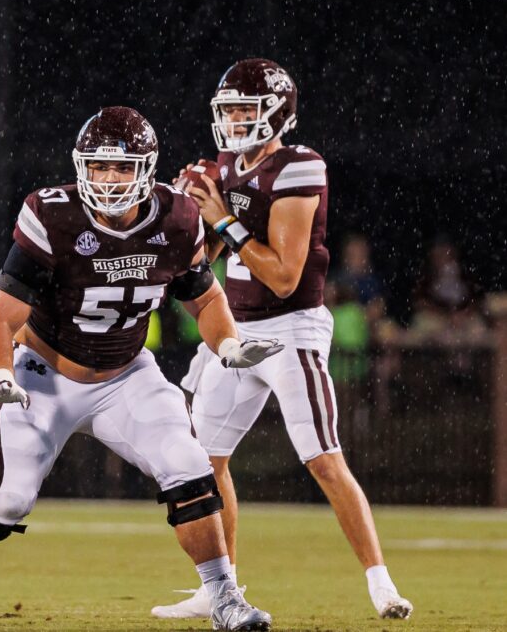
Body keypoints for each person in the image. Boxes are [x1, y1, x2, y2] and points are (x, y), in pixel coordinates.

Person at [0, 107, 280, 631]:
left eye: (121, 168)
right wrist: (1, 375)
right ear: (81, 167)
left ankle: (224, 597)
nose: (108, 180)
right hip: (42, 375)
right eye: (99, 167)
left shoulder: (177, 217)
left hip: (126, 375)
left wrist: (228, 346)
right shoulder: (52, 215)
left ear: (147, 169)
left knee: (190, 466)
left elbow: (205, 299)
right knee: (6, 500)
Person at [151, 59, 413, 621]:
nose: (236, 120)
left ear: (277, 114)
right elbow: (209, 259)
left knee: (322, 458)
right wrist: (185, 213)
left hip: (290, 326)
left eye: (246, 109)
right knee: (204, 459)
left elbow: (283, 275)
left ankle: (380, 583)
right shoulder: (227, 164)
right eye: (229, 110)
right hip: (235, 328)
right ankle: (222, 586)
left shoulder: (300, 167)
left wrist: (223, 218)